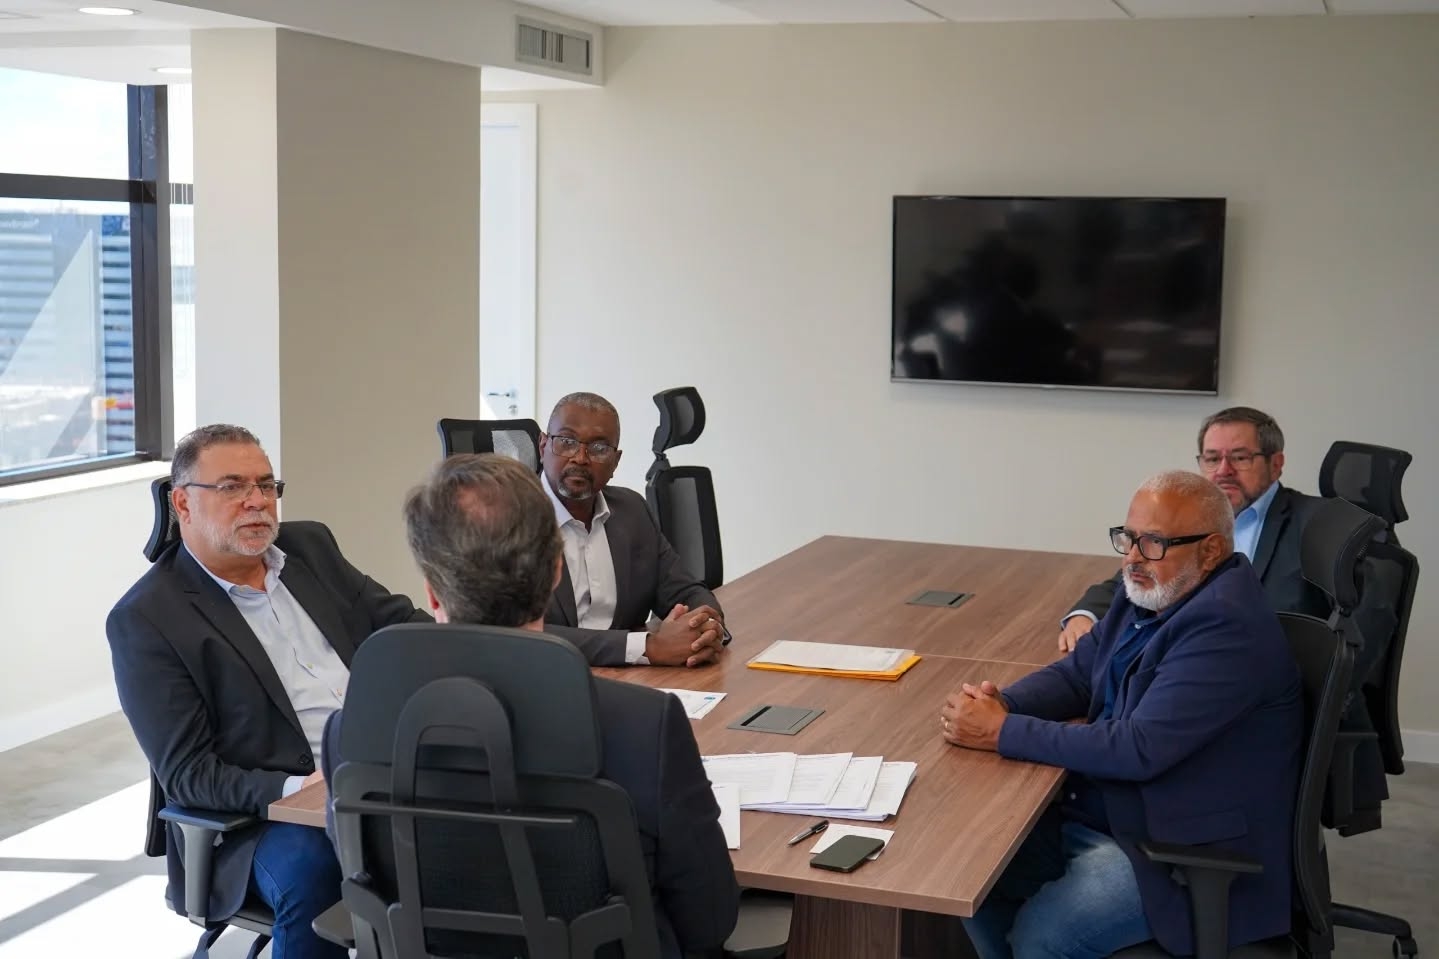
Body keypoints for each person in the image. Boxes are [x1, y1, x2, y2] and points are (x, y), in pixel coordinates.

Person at [321, 454, 740, 957]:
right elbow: (710, 918)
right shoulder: (645, 725)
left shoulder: (350, 731)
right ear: (556, 571)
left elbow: (364, 885)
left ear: (431, 592)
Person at [942, 470, 1303, 958]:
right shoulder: (1153, 591)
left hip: (1178, 849)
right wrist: (1004, 702)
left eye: (1153, 543)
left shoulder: (1225, 626)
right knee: (971, 877)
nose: (1132, 557)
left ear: (1211, 550)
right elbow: (1080, 674)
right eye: (1128, 538)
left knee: (1042, 938)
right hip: (1111, 812)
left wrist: (1001, 730)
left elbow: (1137, 748)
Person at [106, 424, 428, 959]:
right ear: (182, 503)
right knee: (314, 868)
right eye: (232, 486)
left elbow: (402, 627)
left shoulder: (310, 549)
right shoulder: (147, 618)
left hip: (378, 773)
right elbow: (189, 774)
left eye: (265, 484)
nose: (257, 501)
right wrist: (303, 788)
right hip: (261, 821)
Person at [1057, 406, 1395, 816]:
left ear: (1276, 463)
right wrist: (1085, 615)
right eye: (1212, 458)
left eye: (1240, 457)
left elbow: (1374, 615)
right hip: (1185, 693)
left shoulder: (1318, 526)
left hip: (1250, 718)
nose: (1223, 470)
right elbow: (1135, 574)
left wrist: (1323, 698)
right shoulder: (1191, 523)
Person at [539, 391, 727, 667]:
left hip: (629, 676)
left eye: (599, 448)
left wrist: (705, 626)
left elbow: (684, 590)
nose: (580, 458)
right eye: (567, 442)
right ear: (543, 446)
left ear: (615, 462)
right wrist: (648, 647)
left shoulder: (632, 510)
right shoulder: (507, 518)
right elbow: (516, 632)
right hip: (546, 676)